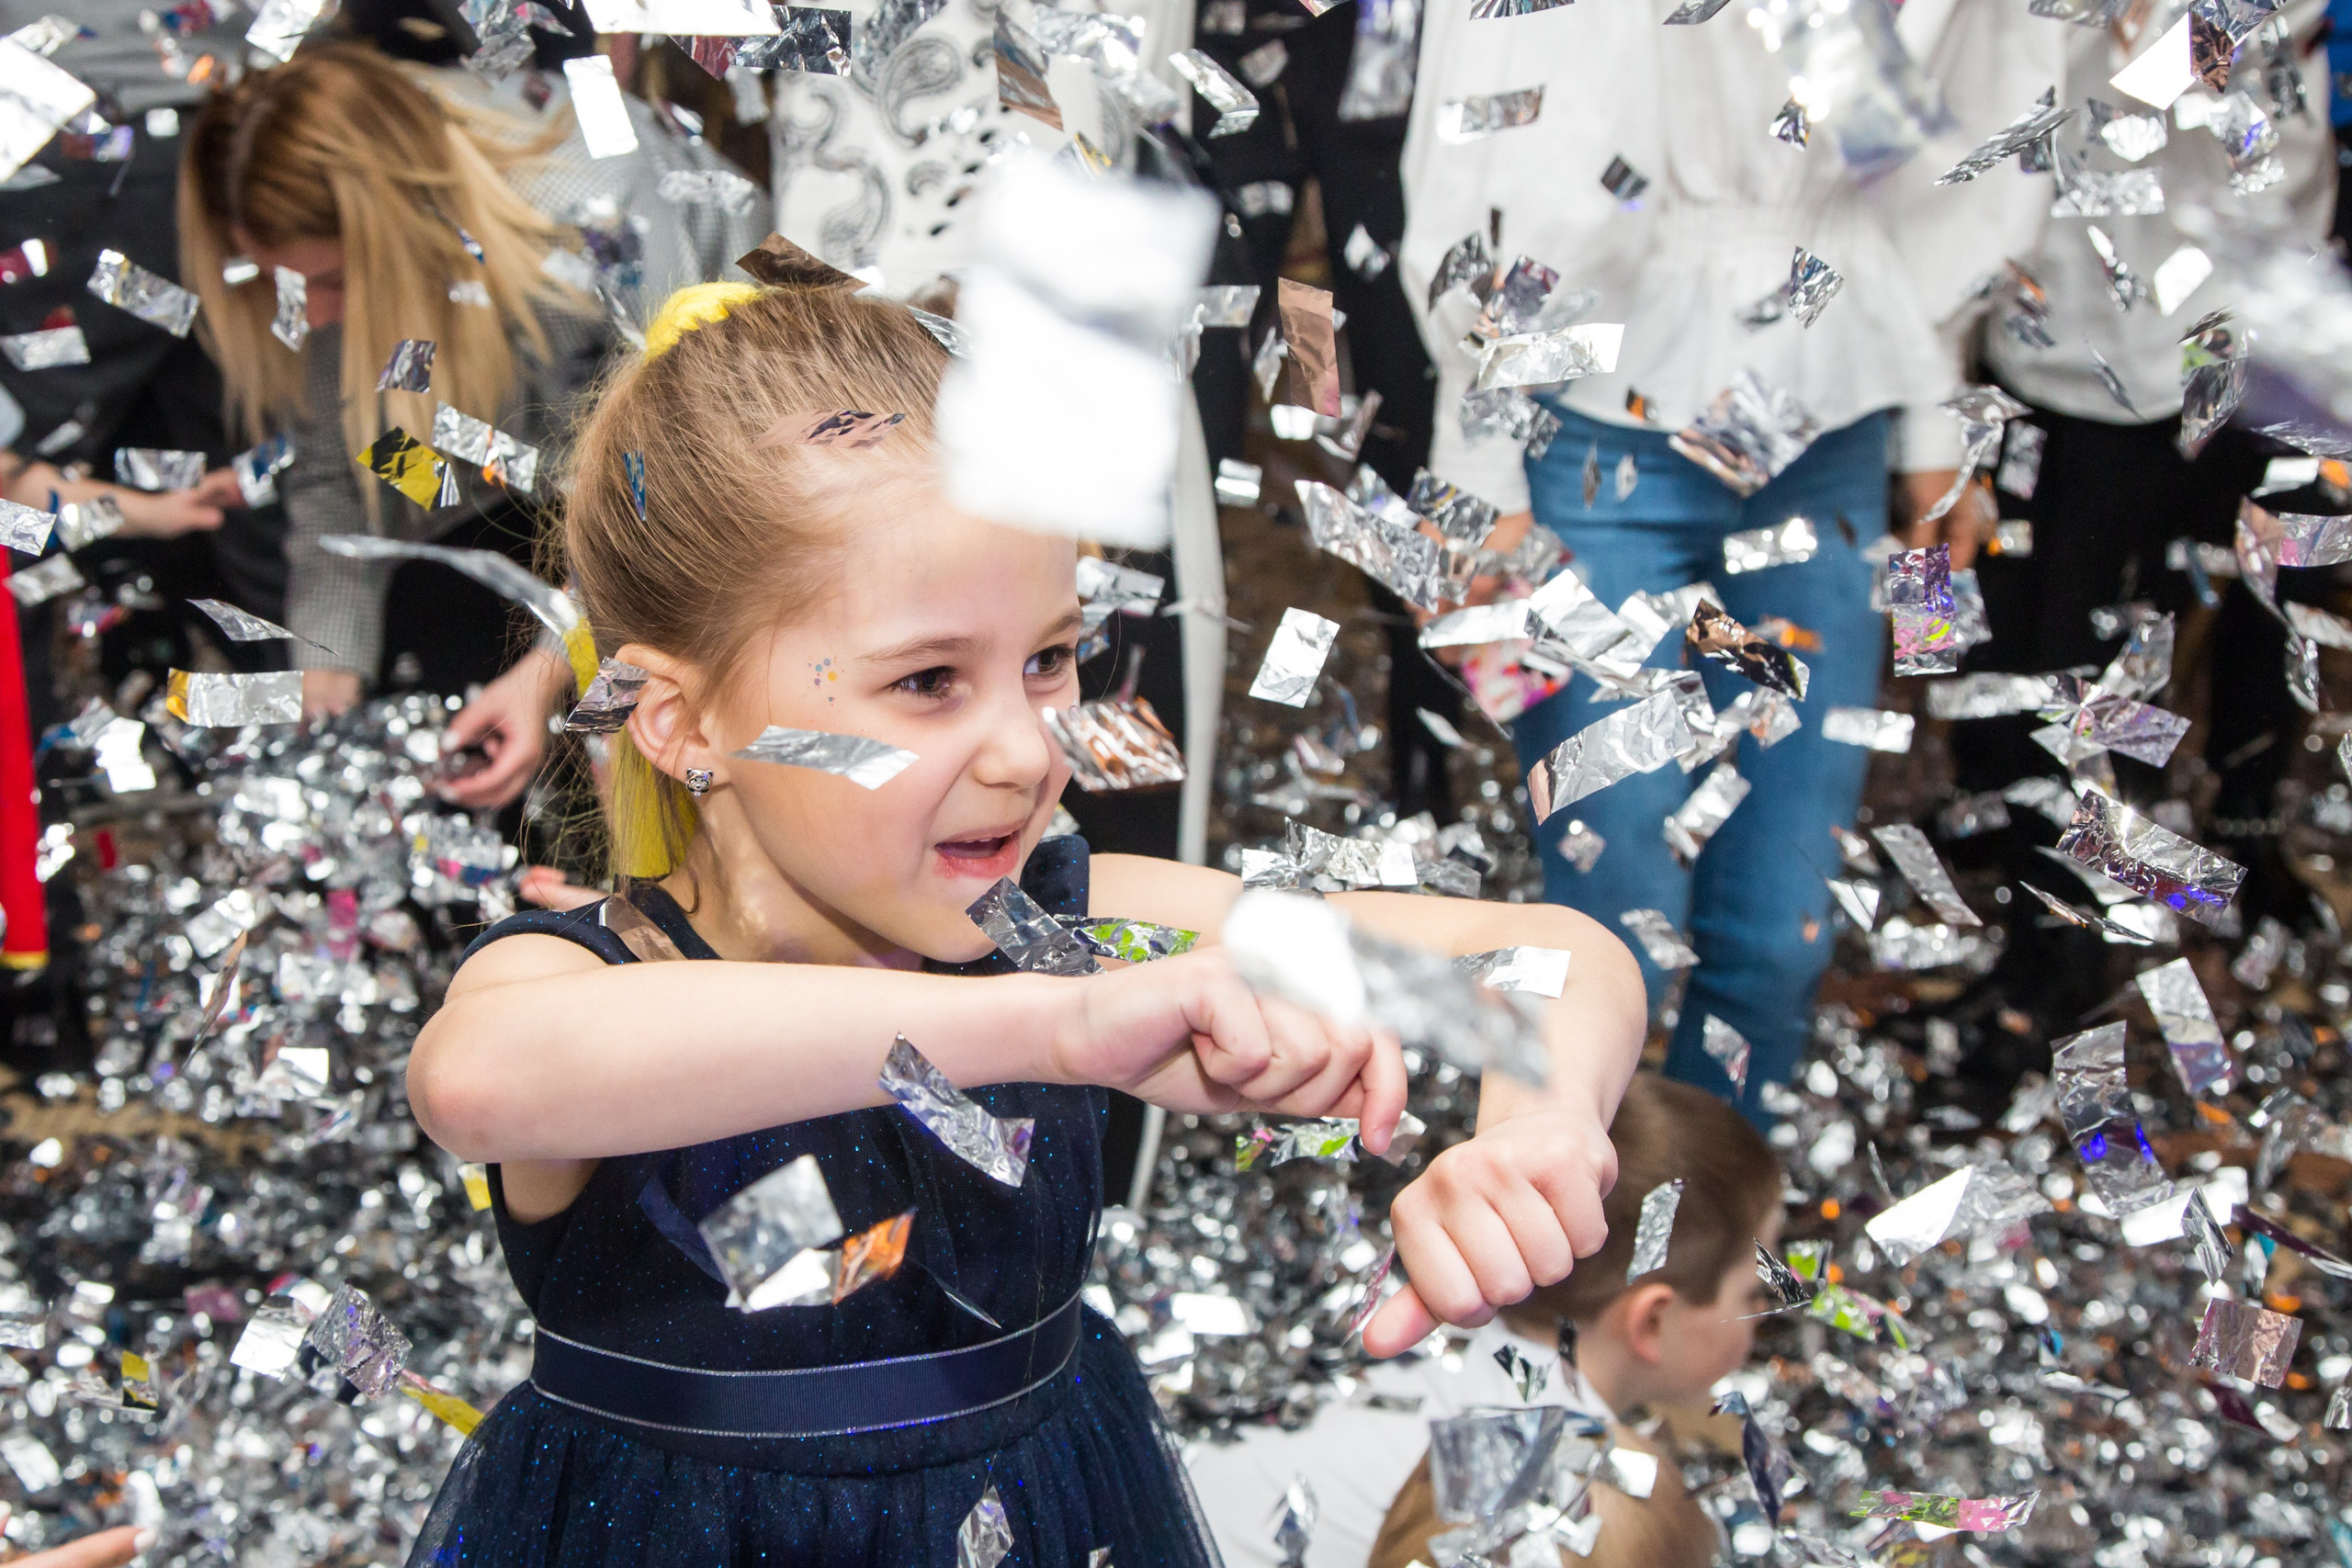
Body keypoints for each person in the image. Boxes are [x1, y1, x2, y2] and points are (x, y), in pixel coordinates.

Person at [396, 280, 1647, 1563]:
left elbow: (1559, 956)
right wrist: (1066, 1025)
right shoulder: (596, 972)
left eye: (1048, 660)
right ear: (681, 721)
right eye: (929, 679)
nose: (1025, 749)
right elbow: (480, 1079)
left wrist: (1540, 1125)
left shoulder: (1061, 917)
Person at [1397, 0, 2058, 1116]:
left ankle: (1692, 1268)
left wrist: (1937, 419)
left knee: (1775, 930)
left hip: (1831, 428)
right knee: (1618, 917)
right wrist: (1477, 462)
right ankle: (1565, 1244)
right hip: (1587, 430)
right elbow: (1492, 132)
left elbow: (1979, 128)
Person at [177, 41, 763, 811]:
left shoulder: (586, 227)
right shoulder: (340, 273)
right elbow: (340, 480)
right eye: (292, 286)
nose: (315, 317)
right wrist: (329, 676)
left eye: (332, 283)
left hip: (727, 460)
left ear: (401, 230)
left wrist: (549, 672)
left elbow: (676, 479)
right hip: (531, 471)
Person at [1187, 1073, 1779, 1568]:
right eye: (1753, 1290)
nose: (1766, 1312)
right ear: (1652, 1321)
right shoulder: (1568, 1479)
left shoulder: (1455, 1337)